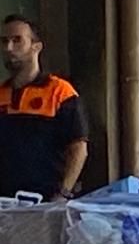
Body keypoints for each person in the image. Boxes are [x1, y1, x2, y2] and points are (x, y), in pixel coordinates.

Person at [0, 14, 89, 200]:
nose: (9, 48)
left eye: (17, 41)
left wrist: (63, 193)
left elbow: (78, 148)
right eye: (4, 41)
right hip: (6, 203)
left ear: (36, 47)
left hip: (46, 201)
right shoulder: (1, 94)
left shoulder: (59, 92)